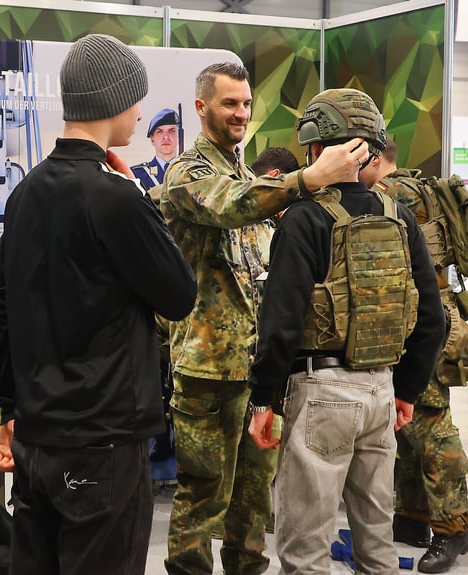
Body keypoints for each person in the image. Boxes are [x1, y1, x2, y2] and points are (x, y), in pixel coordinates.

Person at [0, 34, 198, 575]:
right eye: (136, 98)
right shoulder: (116, 197)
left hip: (36, 439)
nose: (140, 113)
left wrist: (10, 410)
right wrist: (143, 202)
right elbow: (179, 294)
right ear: (113, 102)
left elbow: (1, 307)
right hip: (103, 440)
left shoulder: (25, 193)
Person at [159, 62, 371, 575]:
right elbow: (229, 205)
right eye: (230, 103)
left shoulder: (247, 175)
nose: (241, 113)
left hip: (256, 373)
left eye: (247, 104)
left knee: (254, 504)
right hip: (207, 371)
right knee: (202, 497)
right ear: (202, 107)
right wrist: (309, 178)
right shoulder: (189, 174)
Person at [247, 88, 445, 573]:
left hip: (321, 394)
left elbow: (282, 319)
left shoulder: (304, 217)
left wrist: (262, 399)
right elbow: (432, 317)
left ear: (315, 148)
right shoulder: (399, 216)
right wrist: (407, 391)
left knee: (305, 547)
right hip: (381, 391)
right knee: (376, 543)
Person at [367, 136, 468, 573]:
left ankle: (453, 529)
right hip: (424, 319)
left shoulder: (393, 195)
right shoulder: (420, 189)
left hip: (419, 325)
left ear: (374, 159)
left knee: (431, 428)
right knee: (407, 428)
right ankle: (412, 518)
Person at [132, 107, 179, 195]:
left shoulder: (190, 172)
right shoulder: (137, 175)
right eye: (159, 132)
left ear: (179, 136)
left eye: (171, 131)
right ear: (152, 139)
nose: (166, 137)